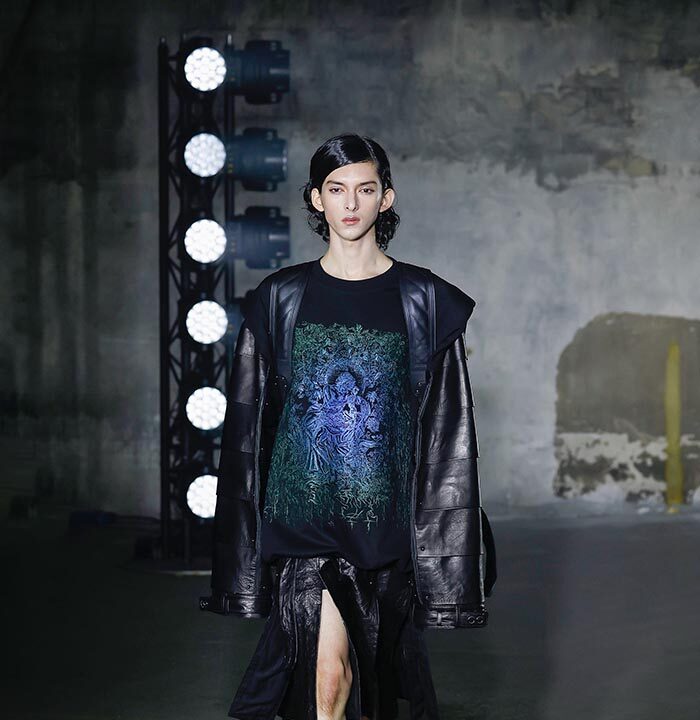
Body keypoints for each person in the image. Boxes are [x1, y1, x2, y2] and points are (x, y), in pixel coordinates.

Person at [201, 134, 497, 720]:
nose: (351, 203)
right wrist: (247, 542)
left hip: (384, 530)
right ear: (317, 199)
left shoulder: (426, 300)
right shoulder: (279, 299)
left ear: (386, 198)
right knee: (329, 679)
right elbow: (248, 428)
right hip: (304, 525)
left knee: (375, 684)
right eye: (336, 190)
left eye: (365, 189)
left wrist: (442, 545)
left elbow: (447, 436)